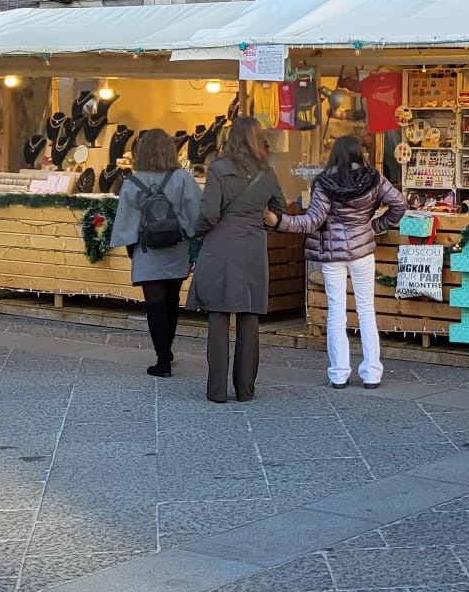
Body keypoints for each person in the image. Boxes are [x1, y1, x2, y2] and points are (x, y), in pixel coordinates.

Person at [269, 134, 407, 389]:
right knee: (367, 310)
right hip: (363, 252)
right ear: (359, 152)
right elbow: (399, 204)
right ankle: (372, 373)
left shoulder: (324, 182)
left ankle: (339, 373)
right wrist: (374, 226)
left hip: (332, 254)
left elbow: (311, 222)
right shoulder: (374, 178)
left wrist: (279, 221)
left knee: (336, 312)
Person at [189, 116, 279, 404]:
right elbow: (277, 211)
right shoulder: (267, 172)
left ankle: (217, 390)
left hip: (221, 246)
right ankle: (245, 390)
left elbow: (208, 214)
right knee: (249, 317)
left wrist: (195, 232)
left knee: (218, 316)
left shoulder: (219, 168)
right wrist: (258, 220)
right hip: (253, 247)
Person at [111, 128, 200, 378]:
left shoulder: (132, 182)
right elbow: (196, 214)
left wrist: (133, 251)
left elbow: (125, 223)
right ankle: (168, 349)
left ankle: (162, 359)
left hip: (147, 250)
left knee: (155, 304)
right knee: (172, 300)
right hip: (176, 247)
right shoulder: (182, 178)